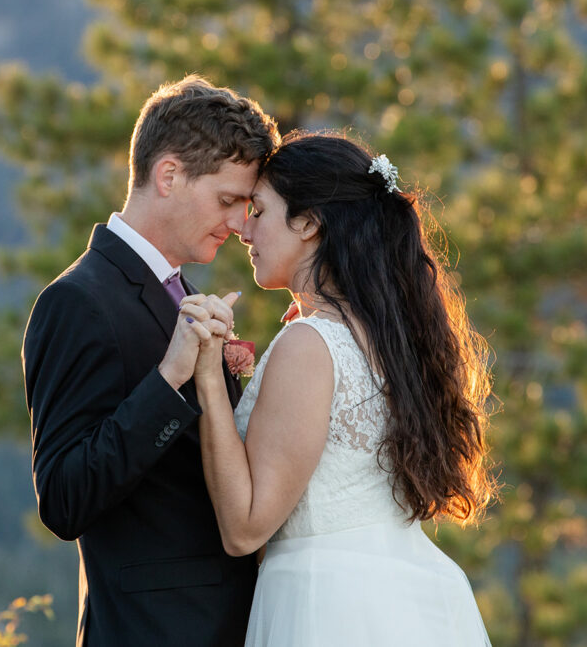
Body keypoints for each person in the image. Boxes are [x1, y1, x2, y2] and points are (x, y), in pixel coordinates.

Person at [177, 132, 496, 645]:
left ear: (308, 222)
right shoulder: (389, 336)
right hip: (406, 594)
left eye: (258, 210)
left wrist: (210, 377)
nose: (243, 228)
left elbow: (245, 530)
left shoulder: (310, 344)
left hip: (325, 602)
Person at [21, 75, 280, 646]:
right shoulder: (78, 301)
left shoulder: (179, 295)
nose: (241, 224)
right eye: (228, 200)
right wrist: (170, 379)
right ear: (168, 176)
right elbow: (64, 499)